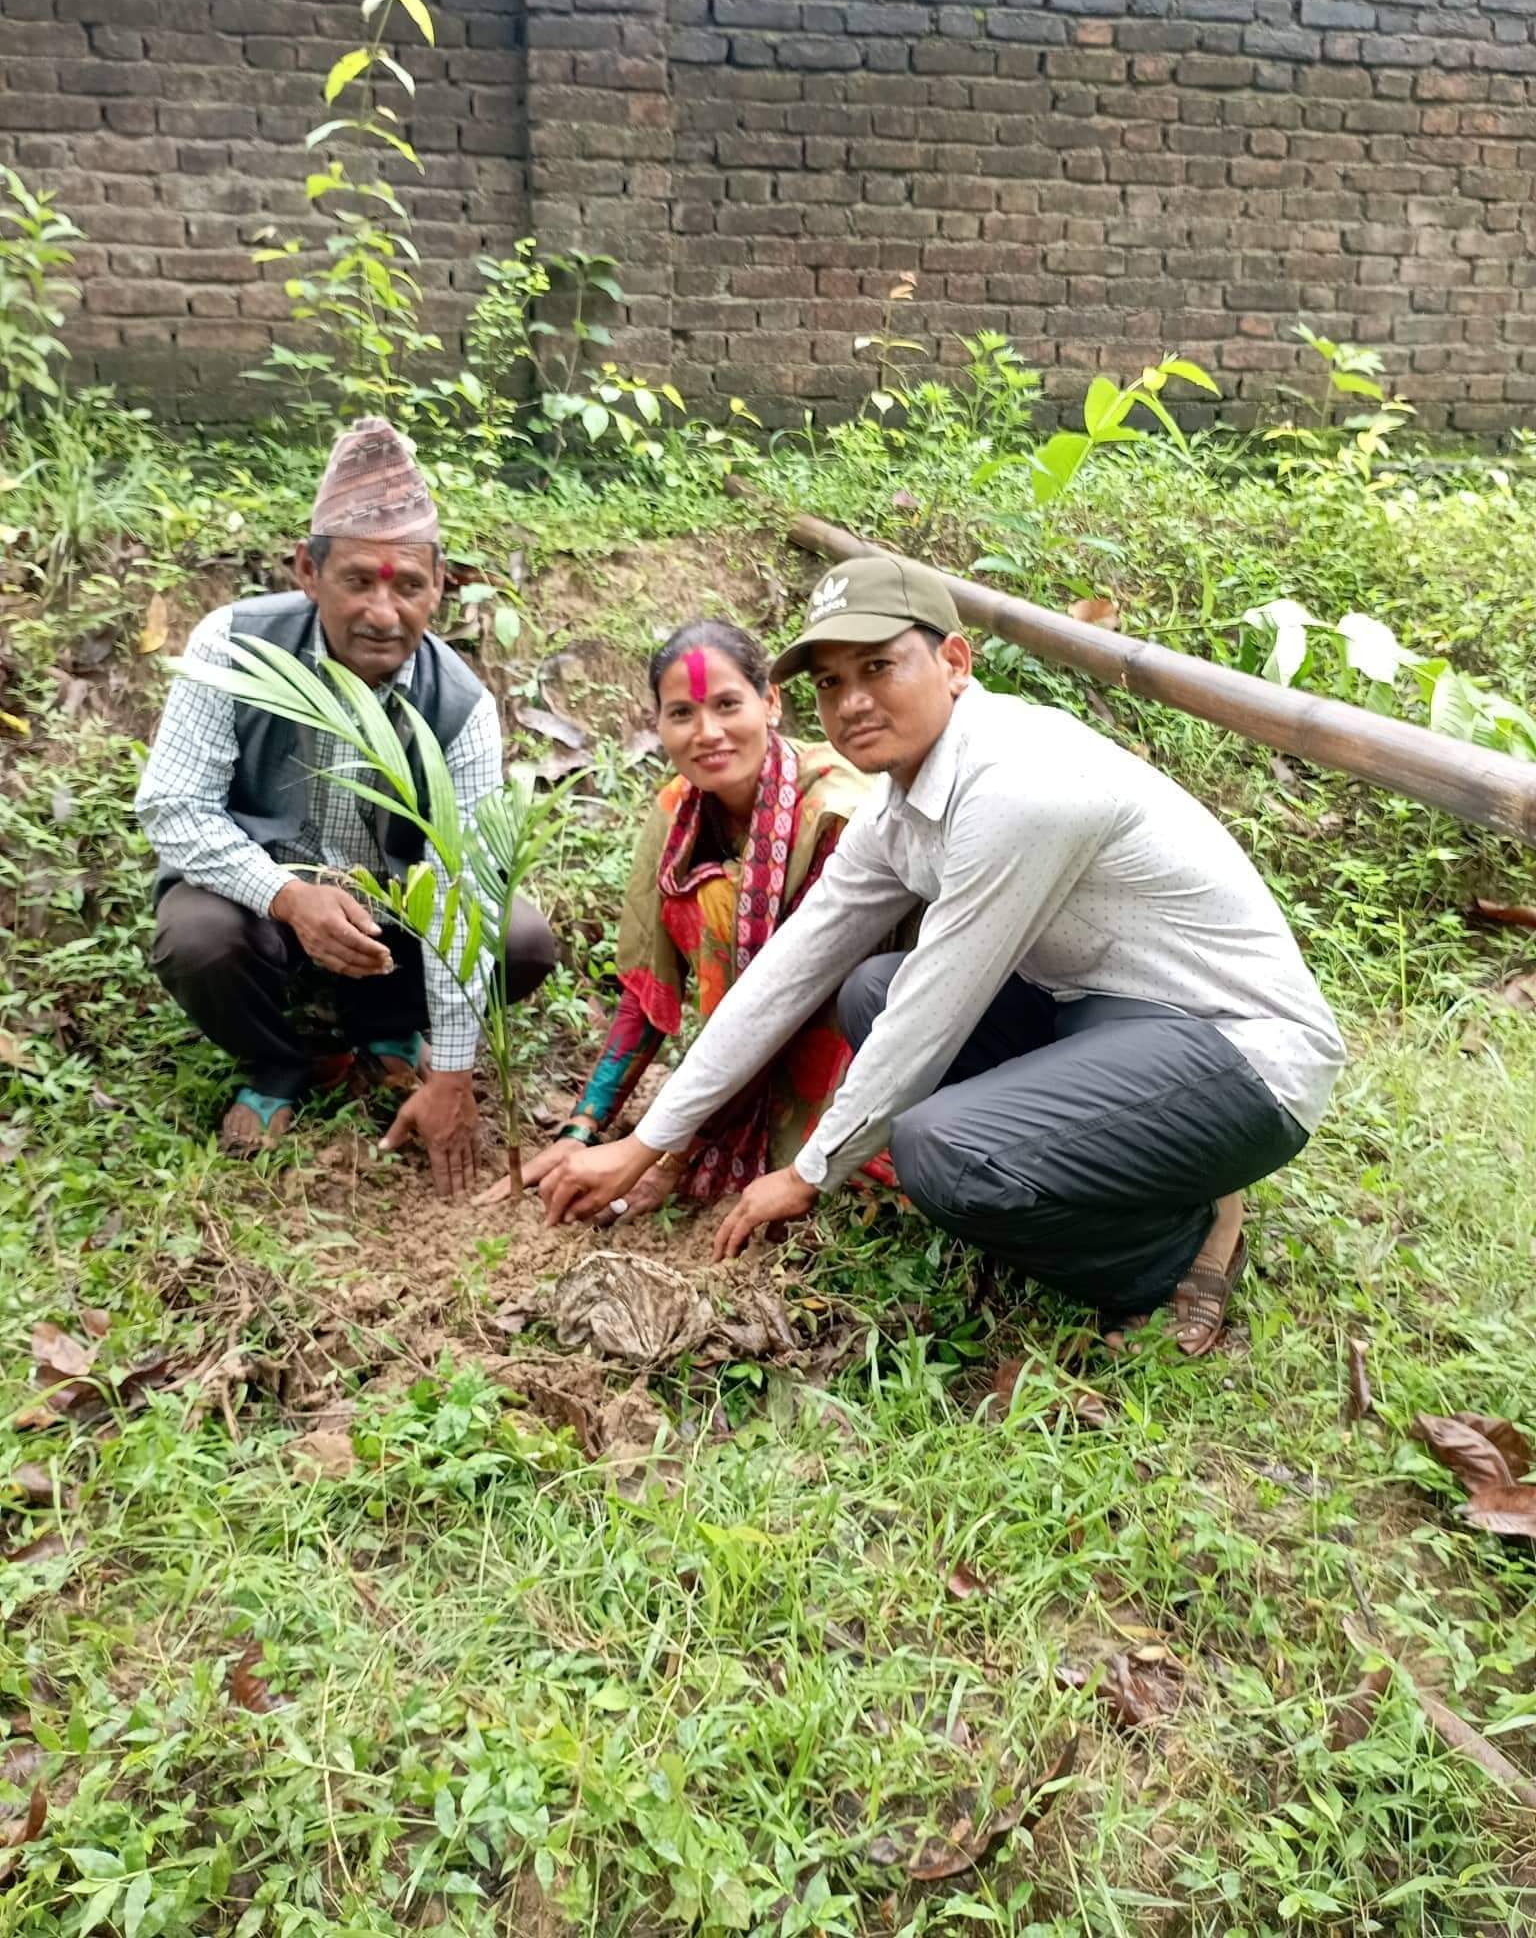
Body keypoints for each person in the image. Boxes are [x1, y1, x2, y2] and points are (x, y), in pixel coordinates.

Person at [543, 553, 1347, 1354]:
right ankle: (1147, 1164)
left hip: (1241, 1052)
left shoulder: (1019, 788)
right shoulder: (900, 808)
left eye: (879, 666)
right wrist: (651, 1138)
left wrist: (808, 1172)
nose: (852, 702)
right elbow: (787, 971)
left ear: (954, 662)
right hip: (1110, 1021)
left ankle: (1176, 1247)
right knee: (870, 990)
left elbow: (936, 1013)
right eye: (829, 683)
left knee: (942, 1148)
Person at [135, 415, 558, 1196]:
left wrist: (455, 1076)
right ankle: (281, 1059)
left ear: (442, 586)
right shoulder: (232, 646)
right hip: (261, 906)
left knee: (522, 939)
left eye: (411, 586)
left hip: (392, 914)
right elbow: (172, 809)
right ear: (307, 570)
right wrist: (288, 897)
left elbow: (462, 884)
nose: (384, 613)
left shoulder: (459, 704)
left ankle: (384, 1031)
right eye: (359, 580)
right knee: (197, 939)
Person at [488, 617, 879, 1214]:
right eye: (681, 714)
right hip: (744, 1050)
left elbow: (789, 998)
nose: (708, 733)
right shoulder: (678, 811)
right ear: (658, 725)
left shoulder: (833, 814)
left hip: (846, 1048)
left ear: (771, 702)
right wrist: (582, 1129)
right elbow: (645, 995)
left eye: (728, 705)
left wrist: (666, 1149)